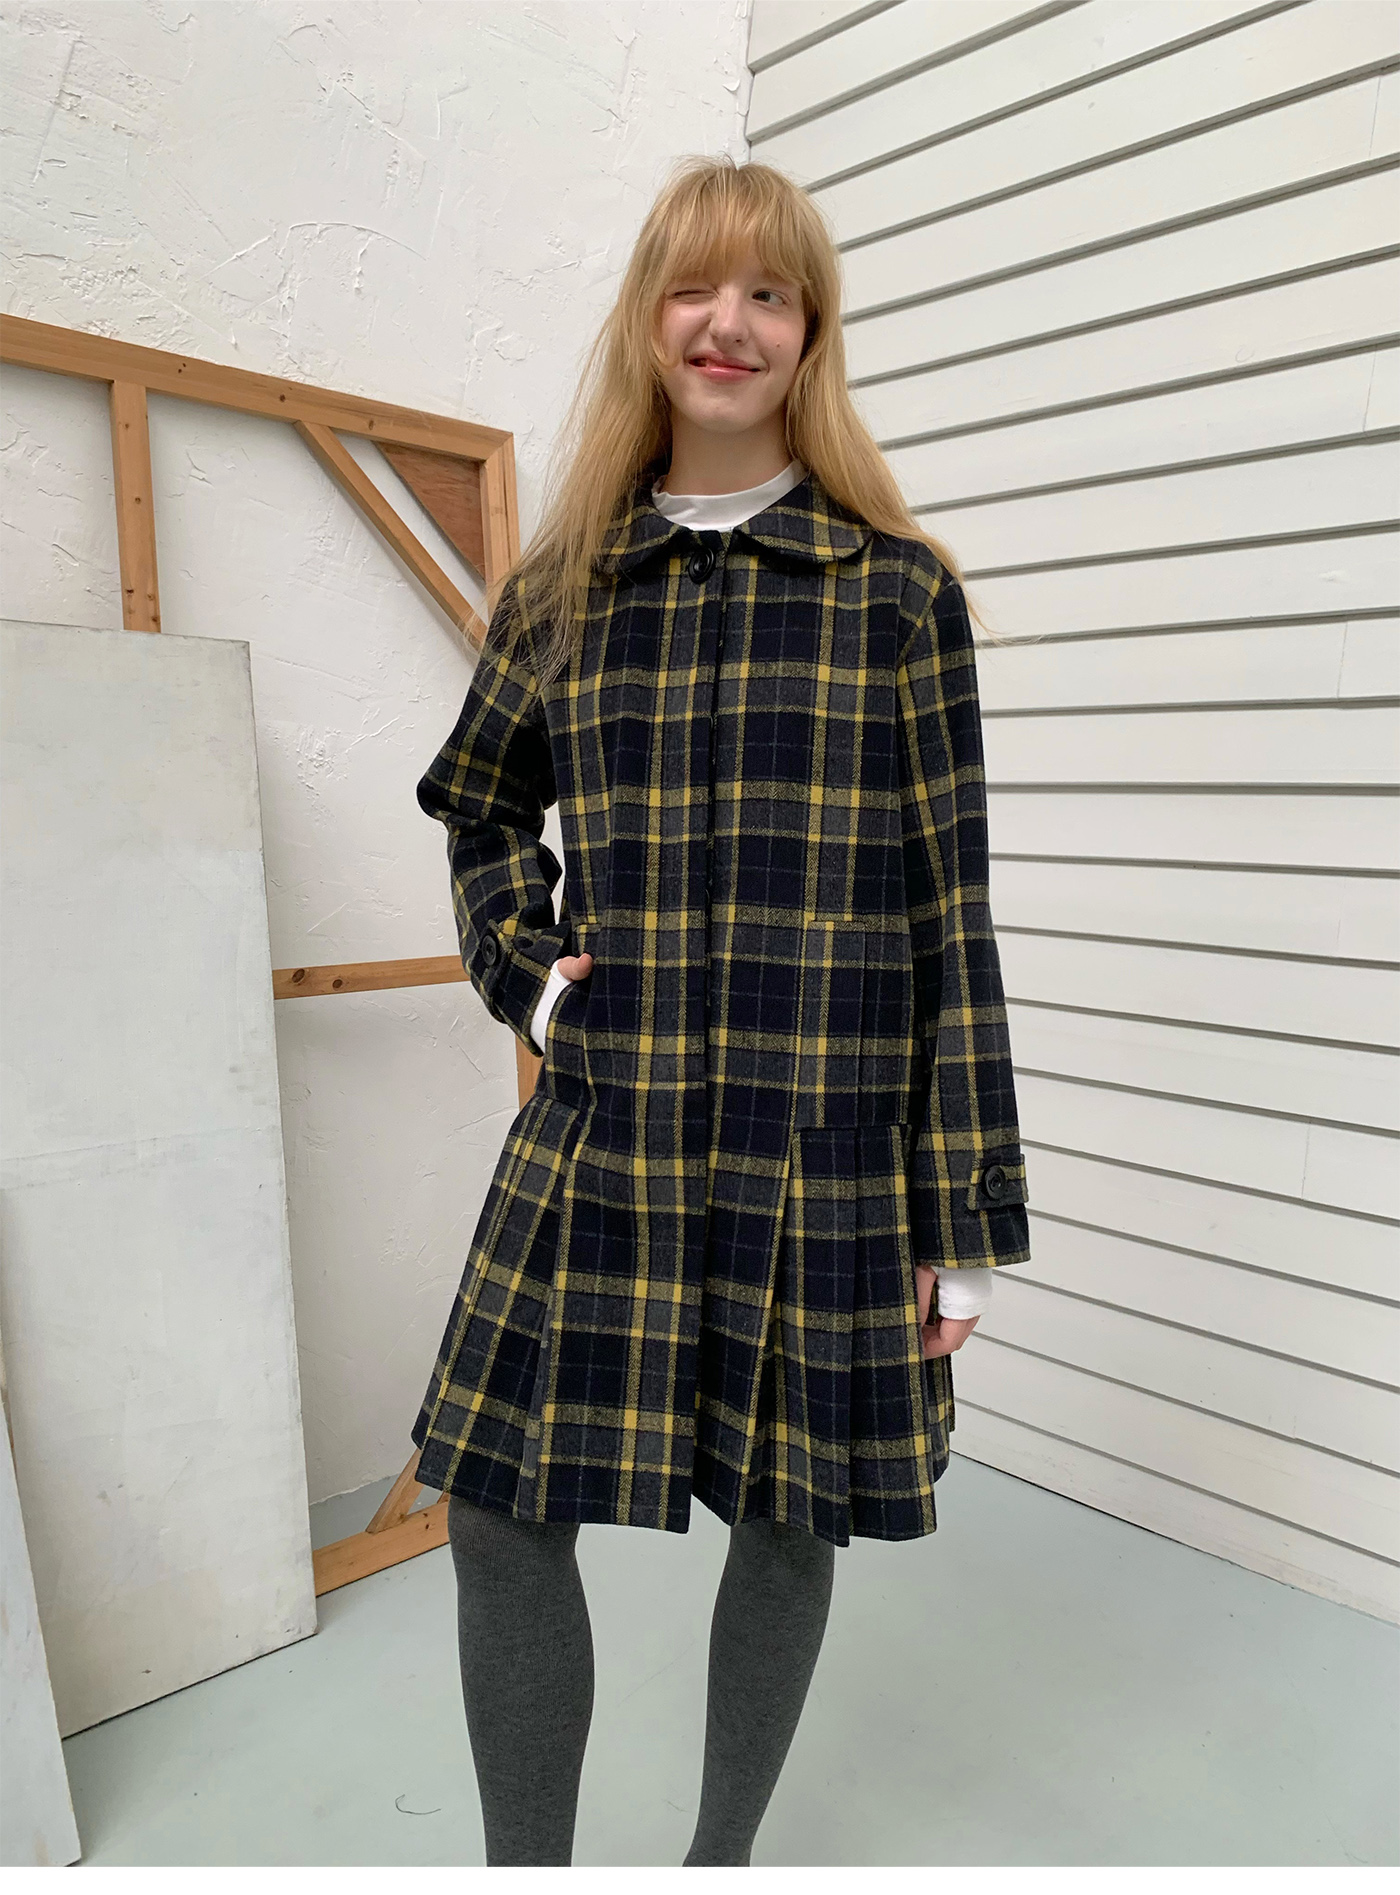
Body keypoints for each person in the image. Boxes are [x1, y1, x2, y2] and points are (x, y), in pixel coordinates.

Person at [408, 155, 1031, 1868]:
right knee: (495, 1509)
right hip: (606, 1129)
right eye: (695, 286)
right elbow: (479, 806)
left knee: (790, 1510)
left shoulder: (897, 595)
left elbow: (951, 916)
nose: (728, 323)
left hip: (824, 1146)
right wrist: (528, 977)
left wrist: (965, 1218)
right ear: (647, 319)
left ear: (810, 333)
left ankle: (718, 1865)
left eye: (770, 292)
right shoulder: (563, 590)